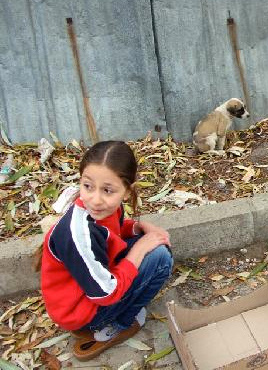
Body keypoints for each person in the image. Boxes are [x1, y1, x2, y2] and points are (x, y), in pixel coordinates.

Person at [40, 141, 173, 361]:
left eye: (107, 190)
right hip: (80, 311)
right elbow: (106, 293)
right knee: (160, 258)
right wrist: (139, 249)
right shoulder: (79, 233)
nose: (95, 199)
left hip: (84, 293)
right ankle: (117, 326)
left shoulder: (101, 211)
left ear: (126, 190)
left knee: (151, 243)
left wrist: (138, 228)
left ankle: (114, 315)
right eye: (87, 186)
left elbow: (113, 233)